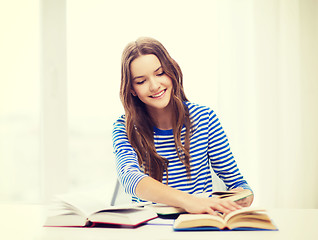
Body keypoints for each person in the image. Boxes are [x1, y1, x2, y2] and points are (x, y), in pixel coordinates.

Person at [112, 37, 253, 215]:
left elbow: (238, 184)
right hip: (151, 226)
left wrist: (243, 196)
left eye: (160, 73)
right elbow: (130, 178)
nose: (155, 86)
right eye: (141, 81)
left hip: (199, 223)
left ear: (171, 71)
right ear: (131, 89)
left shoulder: (204, 118)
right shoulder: (124, 128)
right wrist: (190, 201)